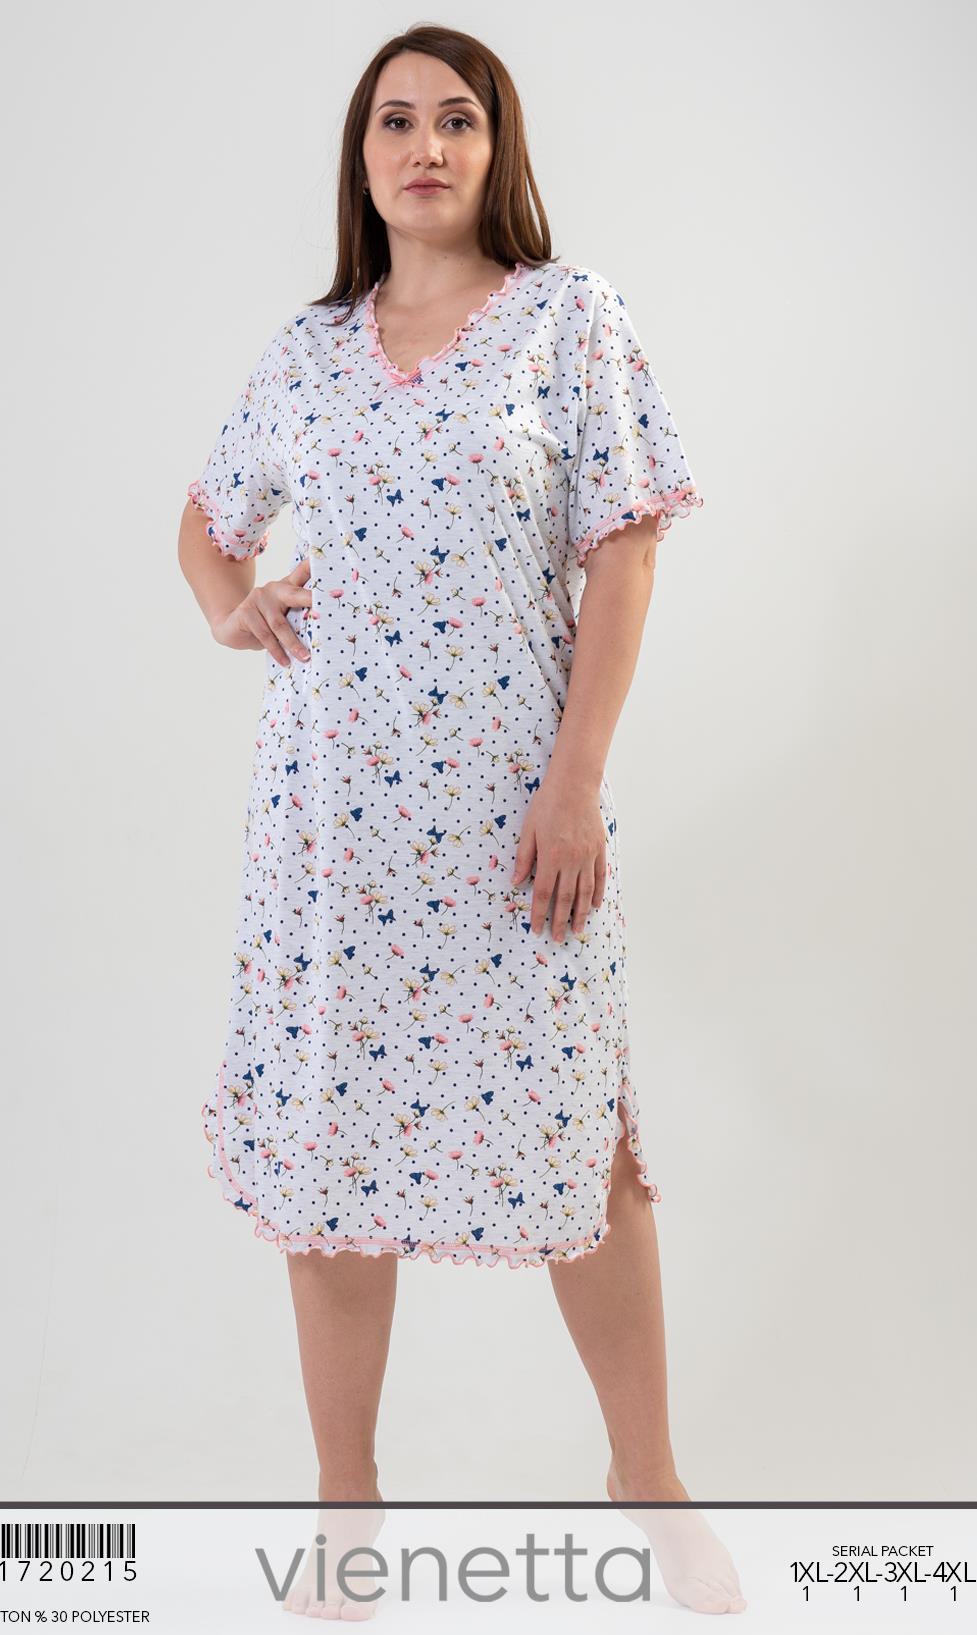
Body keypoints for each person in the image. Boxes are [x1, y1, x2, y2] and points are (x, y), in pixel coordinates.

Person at [178, 22, 744, 1620]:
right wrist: (231, 605)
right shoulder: (307, 351)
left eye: (455, 121)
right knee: (328, 1148)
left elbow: (623, 550)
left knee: (582, 1145)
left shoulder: (568, 320)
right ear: (359, 159)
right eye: (394, 123)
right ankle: (346, 1507)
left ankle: (648, 1479)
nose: (423, 147)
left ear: (498, 150)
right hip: (329, 827)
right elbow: (206, 524)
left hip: (515, 815)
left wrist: (573, 781)